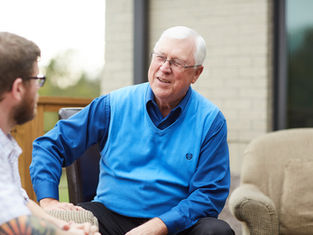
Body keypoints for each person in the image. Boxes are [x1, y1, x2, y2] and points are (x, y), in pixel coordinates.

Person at [30, 26, 234, 235]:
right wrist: (48, 201)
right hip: (108, 217)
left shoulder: (210, 121)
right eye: (160, 57)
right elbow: (49, 146)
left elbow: (209, 194)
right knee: (58, 224)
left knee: (216, 231)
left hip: (174, 225)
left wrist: (157, 227)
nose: (164, 68)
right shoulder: (113, 105)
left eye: (177, 62)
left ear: (196, 73)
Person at [0, 31, 99, 235]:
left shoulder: (5, 142)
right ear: (18, 88)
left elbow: (21, 201)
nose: (38, 89)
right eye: (37, 79)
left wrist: (63, 226)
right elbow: (9, 223)